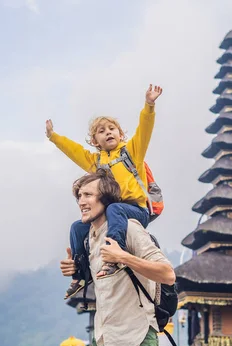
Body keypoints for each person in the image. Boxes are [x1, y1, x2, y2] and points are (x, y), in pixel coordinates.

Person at [59, 169, 175, 346]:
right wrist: (76, 271)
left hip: (135, 339)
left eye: (88, 195)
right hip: (103, 341)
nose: (81, 201)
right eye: (79, 196)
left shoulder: (130, 229)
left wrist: (123, 257)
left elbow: (168, 274)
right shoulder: (89, 236)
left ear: (106, 199)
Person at [45, 84, 163, 299]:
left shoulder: (131, 153)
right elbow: (75, 151)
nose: (108, 132)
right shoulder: (96, 162)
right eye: (101, 131)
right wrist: (54, 137)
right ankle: (80, 275)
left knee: (115, 208)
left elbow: (144, 130)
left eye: (111, 129)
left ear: (120, 134)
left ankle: (113, 255)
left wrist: (149, 105)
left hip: (135, 209)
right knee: (77, 227)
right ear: (95, 141)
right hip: (111, 213)